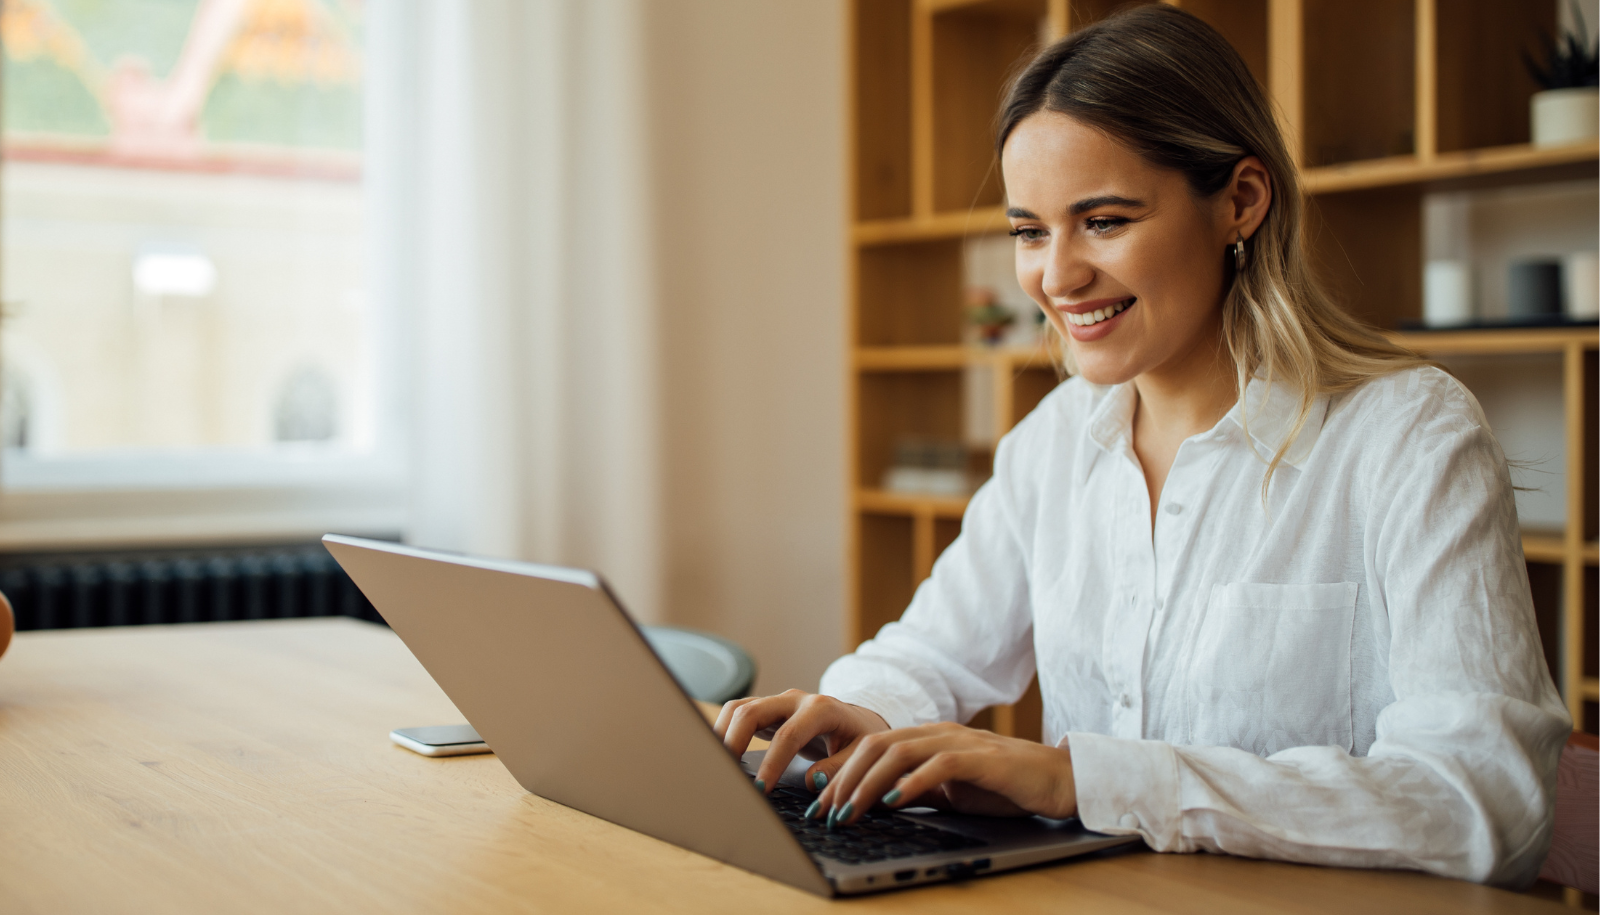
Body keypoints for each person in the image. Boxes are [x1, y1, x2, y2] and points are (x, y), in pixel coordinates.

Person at [715, 5, 1570, 889]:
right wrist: (852, 713)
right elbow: (934, 654)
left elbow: (1487, 801)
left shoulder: (1411, 437)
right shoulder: (1054, 441)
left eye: (1106, 220)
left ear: (1240, 200)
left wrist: (1084, 779)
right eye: (1028, 230)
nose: (1056, 275)